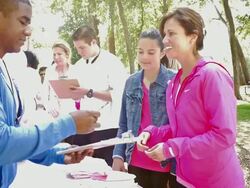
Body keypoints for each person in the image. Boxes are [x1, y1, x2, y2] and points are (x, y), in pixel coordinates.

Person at [137, 7, 245, 188]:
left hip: (217, 182)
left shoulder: (212, 74)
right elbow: (181, 129)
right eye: (164, 34)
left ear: (192, 37)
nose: (164, 40)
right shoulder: (174, 82)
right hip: (184, 180)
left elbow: (224, 135)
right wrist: (152, 133)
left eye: (171, 33)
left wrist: (172, 147)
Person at [0, 1, 100, 187]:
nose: (28, 31)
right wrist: (68, 124)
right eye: (22, 22)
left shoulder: (4, 67)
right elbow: (3, 143)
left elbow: (14, 133)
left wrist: (55, 153)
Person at [112, 28, 183, 188]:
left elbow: (179, 125)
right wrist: (118, 154)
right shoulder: (130, 82)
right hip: (135, 160)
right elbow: (123, 123)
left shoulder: (174, 81)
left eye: (151, 52)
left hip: (164, 162)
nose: (144, 57)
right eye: (140, 51)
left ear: (162, 53)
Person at [64, 25, 128, 166]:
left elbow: (118, 95)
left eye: (82, 48)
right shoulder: (78, 65)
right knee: (82, 167)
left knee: (105, 168)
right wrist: (75, 94)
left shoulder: (112, 62)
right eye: (76, 48)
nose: (79, 52)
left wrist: (88, 92)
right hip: (84, 126)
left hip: (107, 126)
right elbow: (79, 94)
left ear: (93, 42)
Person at [44, 40, 77, 117]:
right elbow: (44, 94)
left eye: (59, 54)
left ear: (67, 55)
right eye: (54, 55)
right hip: (54, 115)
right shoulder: (49, 71)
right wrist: (49, 108)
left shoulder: (75, 71)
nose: (56, 57)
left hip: (72, 114)